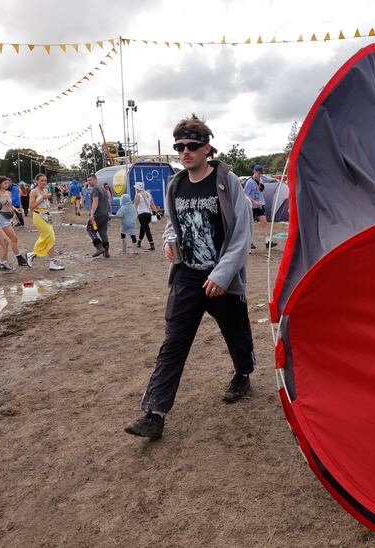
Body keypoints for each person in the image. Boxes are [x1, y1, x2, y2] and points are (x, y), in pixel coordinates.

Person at [124, 114, 255, 441]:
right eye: (179, 146)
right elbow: (173, 224)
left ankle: (242, 374)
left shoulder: (228, 182)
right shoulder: (176, 184)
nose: (185, 152)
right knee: (173, 343)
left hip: (221, 279)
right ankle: (154, 413)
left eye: (192, 146)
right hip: (186, 277)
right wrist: (170, 242)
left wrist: (223, 275)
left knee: (235, 332)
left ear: (206, 148)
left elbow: (242, 233)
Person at [0, 176, 29, 267]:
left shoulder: (8, 193)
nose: (7, 184)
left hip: (8, 217)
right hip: (0, 217)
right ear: (0, 183)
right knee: (14, 238)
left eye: (8, 182)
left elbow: (10, 205)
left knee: (0, 239)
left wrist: (15, 210)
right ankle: (19, 258)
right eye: (5, 183)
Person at [26, 173, 64, 271]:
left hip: (47, 214)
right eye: (42, 180)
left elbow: (48, 202)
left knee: (51, 238)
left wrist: (49, 197)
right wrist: (43, 197)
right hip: (38, 215)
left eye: (45, 180)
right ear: (36, 181)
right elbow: (31, 207)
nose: (44, 182)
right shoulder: (33, 191)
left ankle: (52, 262)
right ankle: (33, 253)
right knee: (49, 236)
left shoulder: (46, 190)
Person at [244, 164, 276, 249]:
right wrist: (254, 201)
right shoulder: (249, 182)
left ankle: (267, 242)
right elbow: (245, 194)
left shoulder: (261, 180)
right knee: (250, 225)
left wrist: (260, 202)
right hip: (251, 206)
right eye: (258, 173)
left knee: (264, 222)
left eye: (261, 173)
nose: (260, 175)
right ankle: (249, 243)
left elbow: (260, 191)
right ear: (254, 172)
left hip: (260, 205)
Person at [86, 174, 111, 258]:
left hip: (98, 214)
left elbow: (95, 202)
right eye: (88, 180)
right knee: (103, 232)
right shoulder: (103, 189)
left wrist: (92, 214)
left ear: (95, 180)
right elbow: (108, 200)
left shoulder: (95, 190)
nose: (89, 182)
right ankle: (106, 252)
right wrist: (108, 211)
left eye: (90, 180)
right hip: (105, 214)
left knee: (90, 229)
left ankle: (99, 247)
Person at [134, 181, 160, 251]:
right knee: (143, 228)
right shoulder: (148, 194)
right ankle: (139, 242)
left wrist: (132, 214)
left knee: (146, 229)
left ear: (137, 188)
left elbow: (135, 206)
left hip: (141, 214)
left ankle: (152, 245)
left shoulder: (137, 195)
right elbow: (153, 205)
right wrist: (157, 213)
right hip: (149, 214)